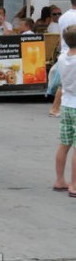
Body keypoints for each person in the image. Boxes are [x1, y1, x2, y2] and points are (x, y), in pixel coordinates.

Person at [53, 25, 76, 195]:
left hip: (66, 103)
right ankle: (74, 184)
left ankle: (60, 179)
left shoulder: (62, 58)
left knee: (64, 143)